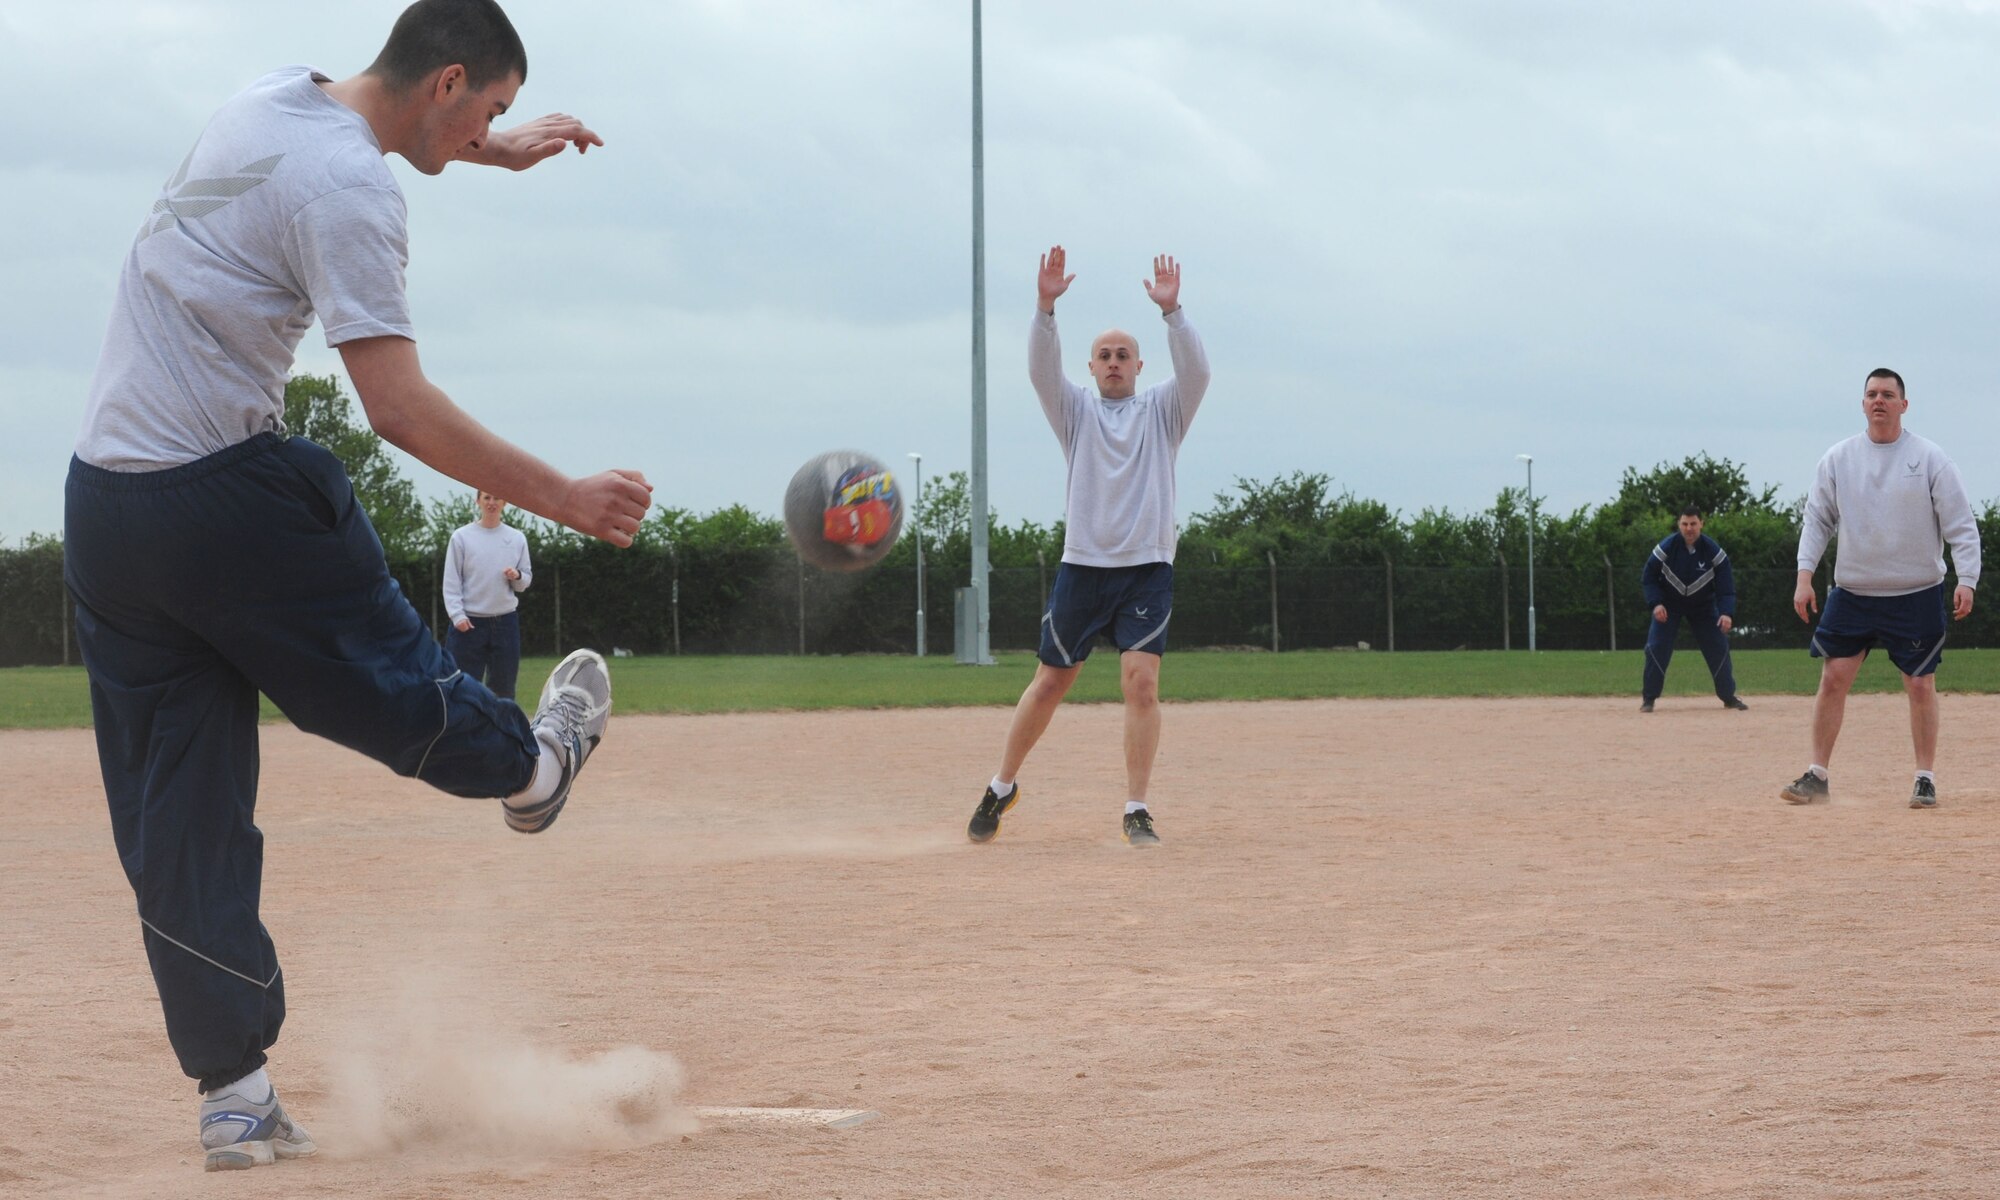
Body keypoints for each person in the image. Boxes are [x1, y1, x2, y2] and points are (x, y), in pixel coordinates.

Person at [64, 0, 652, 1172]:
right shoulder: (356, 194)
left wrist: (496, 149)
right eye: (486, 107)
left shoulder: (272, 96)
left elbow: (357, 142)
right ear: (448, 81)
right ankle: (532, 770)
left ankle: (234, 1098)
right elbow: (397, 408)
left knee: (179, 817)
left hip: (108, 512)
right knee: (386, 675)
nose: (485, 127)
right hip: (225, 500)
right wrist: (565, 497)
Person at [965, 246, 1211, 848]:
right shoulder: (1075, 411)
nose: (1114, 363)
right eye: (1104, 355)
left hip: (1147, 568)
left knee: (1141, 684)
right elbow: (1040, 371)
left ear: (1139, 365)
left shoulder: (1163, 409)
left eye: (1123, 355)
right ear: (1092, 367)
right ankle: (1001, 786)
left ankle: (1136, 808)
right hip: (1083, 568)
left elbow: (1198, 373)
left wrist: (1173, 313)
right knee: (1050, 683)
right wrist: (1044, 307)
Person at [1781, 368, 1979, 810]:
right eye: (1872, 393)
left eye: (1888, 394)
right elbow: (1817, 520)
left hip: (1916, 592)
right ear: (1862, 403)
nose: (1879, 401)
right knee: (1833, 678)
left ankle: (1924, 778)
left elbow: (1960, 524)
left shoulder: (1929, 458)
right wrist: (1804, 576)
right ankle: (1817, 775)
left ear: (1903, 405)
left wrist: (1967, 578)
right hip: (1854, 591)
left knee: (1920, 684)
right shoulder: (1839, 458)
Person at [1639, 506, 1749, 713]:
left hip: (1703, 607)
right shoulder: (1666, 548)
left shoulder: (1714, 552)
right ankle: (1649, 699)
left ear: (1701, 524)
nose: (1689, 528)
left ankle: (1728, 697)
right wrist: (1656, 603)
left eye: (1693, 524)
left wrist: (1726, 613)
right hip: (1669, 606)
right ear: (1679, 525)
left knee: (1718, 646)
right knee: (1656, 647)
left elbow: (1726, 588)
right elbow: (1648, 577)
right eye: (1685, 524)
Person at [444, 489, 533, 699]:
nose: (492, 502)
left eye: (497, 498)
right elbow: (451, 581)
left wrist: (517, 576)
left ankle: (499, 722)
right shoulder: (461, 537)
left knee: (503, 689)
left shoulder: (516, 538)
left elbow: (524, 581)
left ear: (505, 502)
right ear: (478, 501)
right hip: (469, 623)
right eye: (487, 497)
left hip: (505, 623)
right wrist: (457, 615)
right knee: (462, 688)